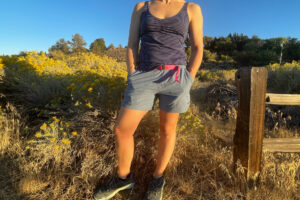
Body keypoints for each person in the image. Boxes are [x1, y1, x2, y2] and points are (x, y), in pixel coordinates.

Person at [93, 0, 203, 199]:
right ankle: (123, 178)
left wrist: (189, 78)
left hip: (176, 77)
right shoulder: (142, 7)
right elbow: (132, 44)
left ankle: (157, 179)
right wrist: (132, 74)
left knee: (167, 130)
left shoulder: (192, 8)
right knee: (122, 130)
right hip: (143, 76)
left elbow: (197, 47)